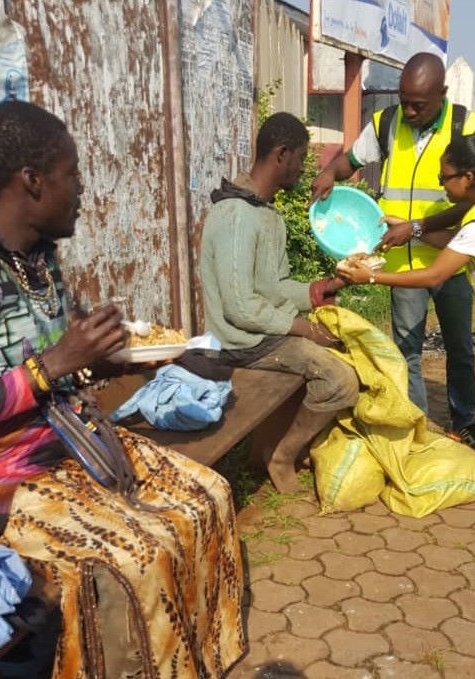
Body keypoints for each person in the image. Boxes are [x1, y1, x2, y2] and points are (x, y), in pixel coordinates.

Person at [0, 100, 245, 678]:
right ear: (33, 182)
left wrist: (108, 359)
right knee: (132, 556)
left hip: (69, 440)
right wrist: (53, 366)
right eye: (73, 175)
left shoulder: (38, 254)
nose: (82, 189)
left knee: (206, 495)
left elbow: (62, 364)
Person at [336, 131, 475, 505]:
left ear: (468, 177)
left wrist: (369, 276)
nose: (443, 186)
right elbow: (458, 240)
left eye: (445, 178)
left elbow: (435, 274)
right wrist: (411, 229)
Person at [311, 52, 475, 454]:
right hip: (402, 266)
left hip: (450, 260)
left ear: (441, 93)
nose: (408, 110)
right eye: (404, 99)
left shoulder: (467, 128)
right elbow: (350, 162)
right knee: (406, 350)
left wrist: (420, 227)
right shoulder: (387, 123)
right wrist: (328, 172)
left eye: (418, 104)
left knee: (460, 349)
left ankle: (465, 423)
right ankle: (418, 426)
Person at [200, 112, 360, 494]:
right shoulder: (236, 215)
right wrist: (304, 328)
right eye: (301, 160)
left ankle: (269, 449)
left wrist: (312, 291)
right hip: (240, 346)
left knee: (345, 351)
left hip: (262, 337)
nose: (302, 170)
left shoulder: (266, 214)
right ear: (282, 154)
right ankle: (283, 455)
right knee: (341, 380)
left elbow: (274, 287)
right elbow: (240, 307)